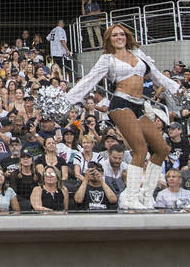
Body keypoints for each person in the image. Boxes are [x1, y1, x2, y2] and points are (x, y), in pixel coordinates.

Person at [65, 24, 180, 209]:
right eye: (114, 35)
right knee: (140, 149)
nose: (119, 37)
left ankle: (145, 194)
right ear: (109, 39)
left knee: (162, 149)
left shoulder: (139, 54)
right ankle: (131, 197)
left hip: (139, 105)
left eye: (121, 34)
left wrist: (178, 89)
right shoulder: (107, 59)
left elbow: (157, 76)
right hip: (120, 104)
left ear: (127, 36)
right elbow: (89, 80)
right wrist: (67, 99)